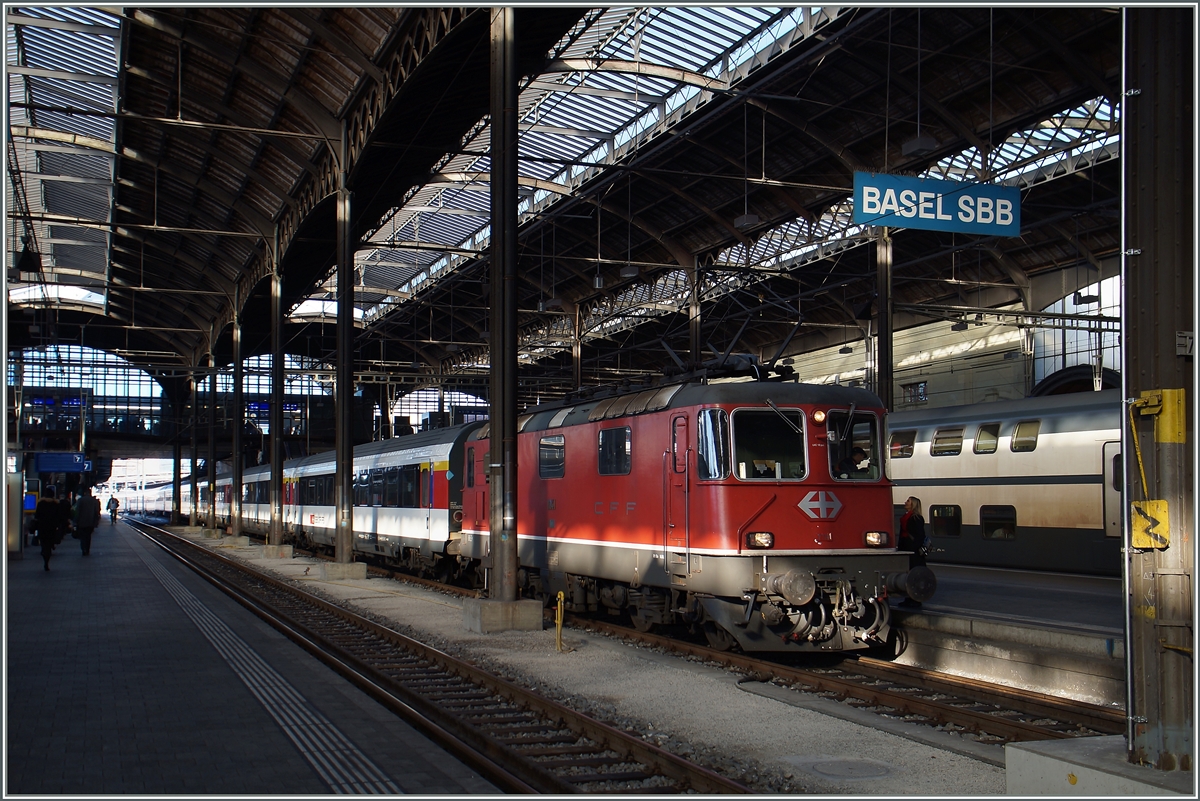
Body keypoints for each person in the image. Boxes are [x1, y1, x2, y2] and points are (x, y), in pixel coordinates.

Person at [897, 496, 927, 608]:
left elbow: (920, 536)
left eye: (908, 501)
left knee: (914, 575)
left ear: (913, 504)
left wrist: (913, 548)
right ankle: (908, 597)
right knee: (907, 574)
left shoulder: (916, 518)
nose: (905, 502)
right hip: (906, 548)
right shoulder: (907, 516)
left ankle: (915, 599)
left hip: (913, 551)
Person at [33, 489, 67, 571]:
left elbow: (37, 515)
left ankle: (44, 553)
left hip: (42, 527)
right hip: (52, 527)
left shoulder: (41, 503)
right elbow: (59, 516)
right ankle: (48, 556)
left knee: (43, 542)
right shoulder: (56, 504)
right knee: (49, 541)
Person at [74, 486, 101, 556]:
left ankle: (83, 549)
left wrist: (75, 521)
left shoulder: (80, 500)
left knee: (82, 536)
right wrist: (96, 521)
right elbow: (97, 512)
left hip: (81, 522)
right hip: (90, 522)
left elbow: (77, 511)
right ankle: (87, 549)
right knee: (88, 536)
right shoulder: (94, 501)